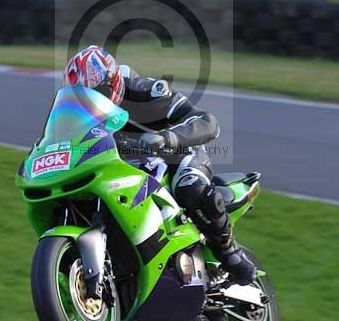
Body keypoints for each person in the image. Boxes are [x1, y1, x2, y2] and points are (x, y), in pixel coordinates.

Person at [64, 45, 256, 286]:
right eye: (82, 97)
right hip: (123, 165)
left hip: (176, 155)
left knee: (190, 186)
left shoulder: (146, 91)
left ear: (112, 82)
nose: (92, 101)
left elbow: (207, 122)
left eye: (97, 92)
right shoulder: (80, 114)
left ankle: (230, 253)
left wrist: (168, 138)